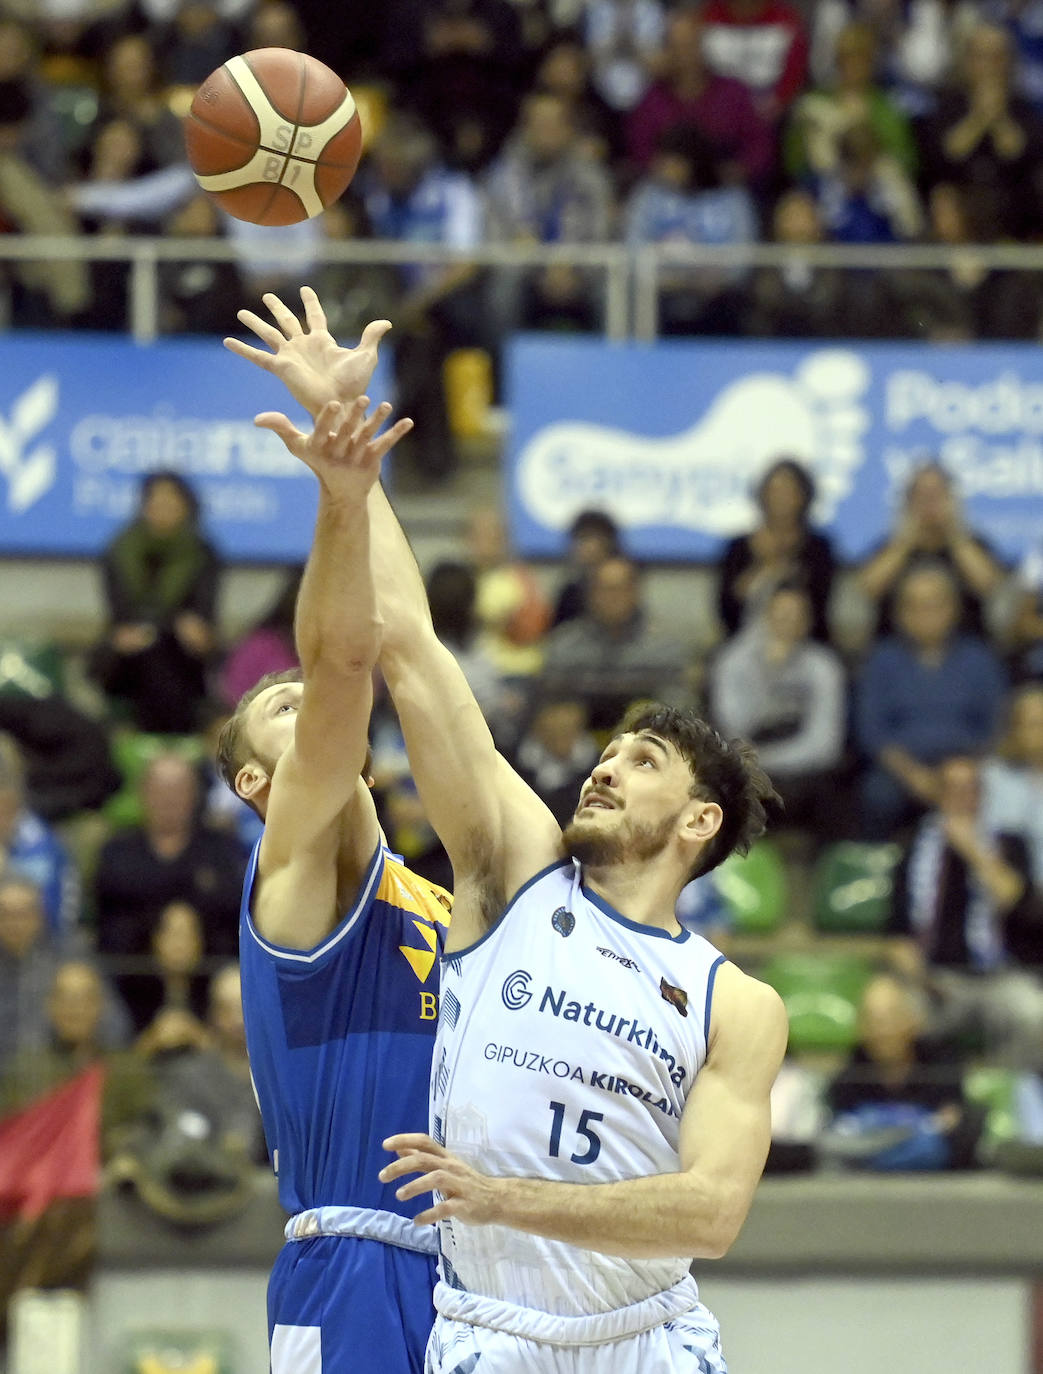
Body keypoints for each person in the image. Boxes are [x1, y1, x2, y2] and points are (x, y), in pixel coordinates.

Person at [238, 287, 789, 1374]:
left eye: (642, 763)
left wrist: (505, 1200)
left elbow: (709, 1216)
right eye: (609, 749)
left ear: (698, 822)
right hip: (486, 1330)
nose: (604, 765)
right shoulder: (513, 874)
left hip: (645, 1335)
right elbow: (406, 652)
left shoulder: (740, 1004)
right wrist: (352, 473)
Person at [219, 299, 452, 1374]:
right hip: (354, 1262)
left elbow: (392, 636)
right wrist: (339, 494)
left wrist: (353, 432)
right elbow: (350, 665)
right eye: (280, 704)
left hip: (474, 1263)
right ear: (257, 784)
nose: (302, 694)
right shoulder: (295, 864)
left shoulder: (430, 895)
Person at [888, 755, 1043, 1066]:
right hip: (936, 978)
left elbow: (1015, 901)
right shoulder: (914, 844)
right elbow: (897, 931)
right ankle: (931, 1098)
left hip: (998, 976)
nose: (961, 797)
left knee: (1033, 1014)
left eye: (969, 789)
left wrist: (971, 848)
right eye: (951, 788)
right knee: (892, 1014)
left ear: (981, 794)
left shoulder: (1008, 842)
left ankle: (1005, 1094)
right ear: (938, 793)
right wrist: (918, 976)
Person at [855, 562, 1007, 837]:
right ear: (899, 613)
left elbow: (996, 726)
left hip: (969, 767)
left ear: (954, 609)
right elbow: (872, 731)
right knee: (878, 795)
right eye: (913, 606)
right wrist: (915, 776)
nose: (924, 615)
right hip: (902, 770)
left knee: (1002, 792)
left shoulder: (979, 658)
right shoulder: (883, 659)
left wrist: (963, 771)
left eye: (934, 605)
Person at [710, 581, 847, 832]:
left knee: (833, 792)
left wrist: (768, 761)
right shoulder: (733, 662)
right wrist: (768, 675)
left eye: (797, 617)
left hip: (803, 770)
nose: (788, 625)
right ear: (764, 617)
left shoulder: (824, 666)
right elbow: (735, 727)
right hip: (746, 766)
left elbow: (825, 745)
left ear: (808, 622)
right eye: (781, 615)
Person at [93, 470, 220, 733]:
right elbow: (118, 615)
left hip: (181, 653)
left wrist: (193, 630)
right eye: (155, 503)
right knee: (143, 656)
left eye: (172, 504)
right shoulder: (120, 550)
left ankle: (175, 745)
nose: (163, 511)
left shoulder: (202, 553)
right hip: (129, 656)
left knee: (168, 659)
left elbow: (205, 615)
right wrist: (125, 635)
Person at [94, 753, 246, 960]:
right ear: (143, 793)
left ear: (195, 795)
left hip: (211, 971)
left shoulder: (222, 850)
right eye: (160, 790)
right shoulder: (117, 852)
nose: (169, 799)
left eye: (178, 790)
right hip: (131, 972)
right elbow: (106, 923)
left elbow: (231, 917)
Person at [857, 461, 1007, 640]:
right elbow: (867, 590)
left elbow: (989, 587)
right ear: (907, 501)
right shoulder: (890, 546)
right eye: (921, 496)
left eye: (937, 495)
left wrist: (953, 531)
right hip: (896, 646)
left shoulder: (971, 543)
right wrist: (905, 540)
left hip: (965, 645)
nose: (929, 503)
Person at [540, 554, 689, 731]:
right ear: (590, 593)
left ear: (636, 592)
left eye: (621, 588)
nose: (614, 598)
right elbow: (550, 704)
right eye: (605, 589)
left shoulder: (664, 647)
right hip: (576, 746)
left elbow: (678, 708)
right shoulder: (564, 645)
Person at [717, 456, 836, 641]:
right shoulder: (738, 548)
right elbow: (726, 611)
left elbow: (819, 609)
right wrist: (764, 567)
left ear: (804, 497)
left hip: (805, 644)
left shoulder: (819, 548)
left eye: (790, 491)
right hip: (745, 643)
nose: (781, 499)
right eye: (774, 491)